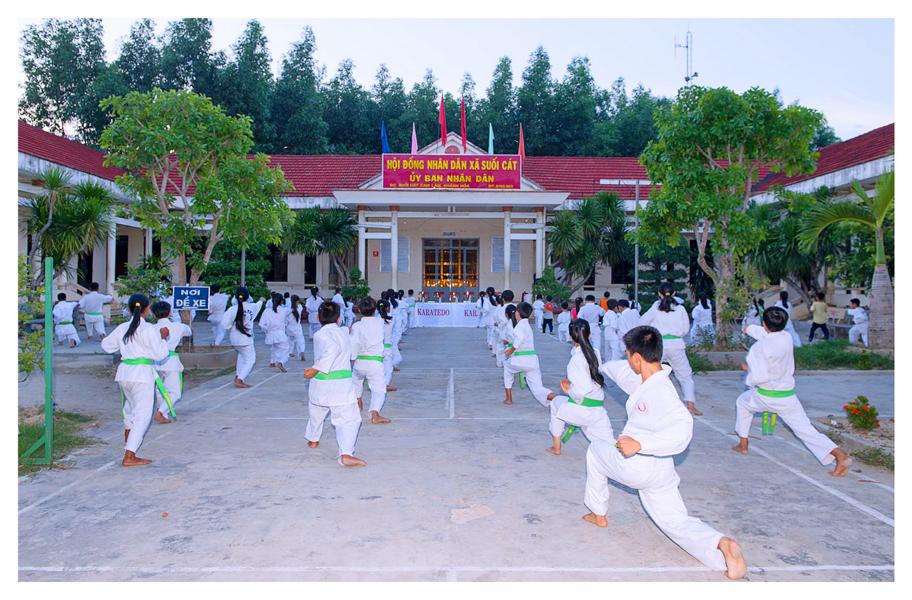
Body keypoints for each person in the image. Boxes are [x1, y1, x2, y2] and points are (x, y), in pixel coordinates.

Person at [586, 326, 748, 579]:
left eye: (628, 355)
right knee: (675, 521)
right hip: (661, 471)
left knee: (595, 450)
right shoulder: (648, 378)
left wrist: (641, 444)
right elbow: (617, 370)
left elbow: (683, 430)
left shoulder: (662, 391)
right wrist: (599, 365)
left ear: (636, 358)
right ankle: (722, 545)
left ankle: (598, 512)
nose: (626, 360)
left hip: (636, 465)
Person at [733, 306, 852, 476]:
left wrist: (748, 370)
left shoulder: (759, 349)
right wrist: (749, 329)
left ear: (764, 324)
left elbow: (759, 377)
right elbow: (767, 336)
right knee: (806, 430)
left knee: (742, 402)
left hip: (765, 396)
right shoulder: (786, 337)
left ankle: (743, 444)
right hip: (787, 397)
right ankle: (840, 456)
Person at [101, 293, 170, 467]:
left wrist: (125, 347)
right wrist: (163, 339)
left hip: (125, 373)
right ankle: (129, 455)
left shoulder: (123, 327)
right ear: (147, 309)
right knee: (143, 415)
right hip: (142, 374)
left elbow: (107, 346)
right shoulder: (149, 329)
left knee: (130, 408)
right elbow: (160, 355)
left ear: (129, 308)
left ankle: (129, 441)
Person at [303, 301, 366, 467]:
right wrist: (317, 368)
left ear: (318, 318)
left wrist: (316, 369)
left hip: (321, 383)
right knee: (348, 419)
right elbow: (337, 348)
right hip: (340, 385)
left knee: (316, 412)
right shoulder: (343, 333)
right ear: (339, 318)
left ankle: (313, 439)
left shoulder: (319, 335)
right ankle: (346, 453)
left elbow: (332, 347)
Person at [546, 319, 613, 455]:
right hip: (598, 410)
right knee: (611, 446)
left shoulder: (576, 360)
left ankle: (556, 446)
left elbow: (582, 390)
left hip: (582, 410)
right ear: (590, 335)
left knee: (555, 402)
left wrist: (568, 389)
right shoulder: (595, 352)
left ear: (570, 336)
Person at [639, 283, 701, 416]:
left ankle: (649, 404)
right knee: (685, 375)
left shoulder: (655, 308)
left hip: (659, 345)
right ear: (674, 293)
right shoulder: (681, 309)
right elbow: (685, 329)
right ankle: (690, 405)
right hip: (676, 345)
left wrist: (651, 334)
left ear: (659, 294)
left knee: (651, 374)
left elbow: (641, 322)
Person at [502, 302, 553, 406]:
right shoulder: (527, 326)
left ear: (518, 313)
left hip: (519, 361)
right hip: (532, 361)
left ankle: (508, 398)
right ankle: (558, 399)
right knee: (538, 389)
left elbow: (518, 342)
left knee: (507, 368)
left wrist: (509, 351)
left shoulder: (520, 326)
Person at [150, 301, 192, 424]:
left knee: (159, 389)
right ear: (170, 313)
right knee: (175, 392)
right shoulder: (177, 326)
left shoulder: (150, 328)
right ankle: (161, 412)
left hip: (154, 361)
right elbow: (189, 331)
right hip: (170, 361)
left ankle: (163, 412)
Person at [351, 297, 390, 425]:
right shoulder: (381, 323)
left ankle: (358, 402)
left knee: (356, 383)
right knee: (379, 390)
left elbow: (354, 343)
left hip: (359, 362)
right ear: (375, 309)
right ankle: (374, 413)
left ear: (359, 310)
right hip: (375, 363)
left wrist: (352, 357)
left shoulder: (356, 325)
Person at [221, 287, 263, 388]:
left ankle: (238, 375)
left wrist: (230, 326)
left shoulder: (232, 309)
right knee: (250, 360)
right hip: (246, 339)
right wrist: (261, 300)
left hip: (234, 338)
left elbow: (225, 324)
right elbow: (258, 305)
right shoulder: (252, 307)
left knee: (241, 356)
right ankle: (240, 379)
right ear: (248, 297)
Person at [260, 292, 291, 373]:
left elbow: (261, 324)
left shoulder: (266, 311)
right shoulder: (284, 310)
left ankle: (274, 361)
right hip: (280, 334)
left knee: (275, 348)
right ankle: (280, 362)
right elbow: (291, 309)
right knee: (286, 348)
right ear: (281, 301)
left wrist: (267, 331)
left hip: (270, 334)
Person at [377, 299, 397, 392]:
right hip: (387, 347)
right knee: (388, 368)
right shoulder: (391, 320)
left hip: (376, 347)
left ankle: (376, 383)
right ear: (388, 308)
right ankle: (385, 384)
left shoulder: (375, 320)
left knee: (378, 367)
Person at [494, 290, 517, 368]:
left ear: (503, 298)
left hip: (503, 331)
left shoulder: (501, 308)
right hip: (514, 331)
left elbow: (500, 320)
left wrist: (498, 325)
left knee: (500, 347)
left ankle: (500, 363)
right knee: (512, 347)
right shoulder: (516, 307)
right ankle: (511, 362)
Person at [286, 294, 306, 361]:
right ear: (297, 301)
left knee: (290, 340)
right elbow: (299, 306)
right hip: (297, 327)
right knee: (300, 340)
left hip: (289, 328)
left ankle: (290, 351)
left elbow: (286, 319)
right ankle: (301, 352)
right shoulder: (299, 307)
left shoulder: (288, 309)